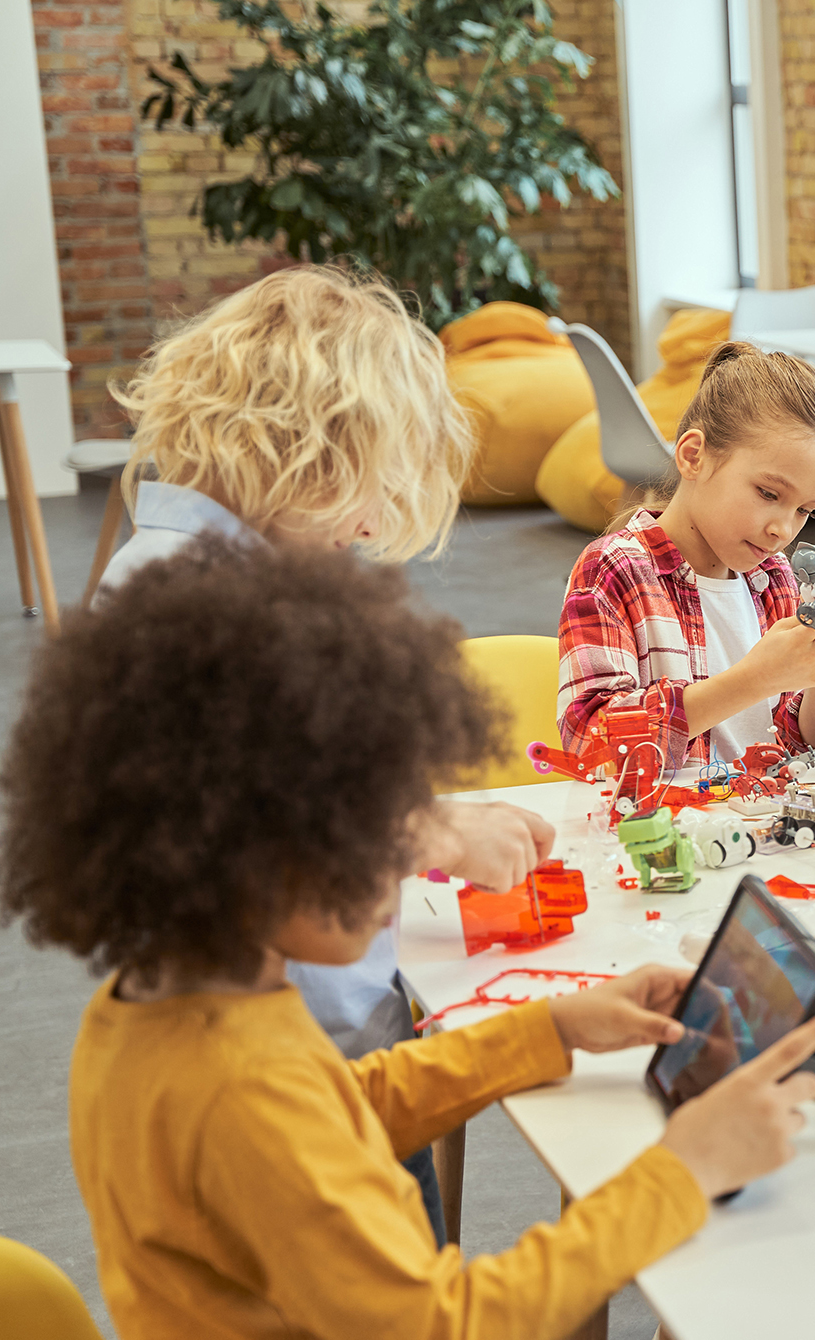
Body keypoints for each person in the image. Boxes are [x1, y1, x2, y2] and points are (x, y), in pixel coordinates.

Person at [0, 537, 815, 1336]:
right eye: (379, 836)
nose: (403, 870)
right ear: (245, 850)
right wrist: (681, 1172)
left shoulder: (172, 1005)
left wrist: (554, 1030)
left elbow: (343, 1108)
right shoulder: (240, 1090)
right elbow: (450, 1323)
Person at [98, 264, 556, 1237]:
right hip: (301, 1067)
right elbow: (264, 828)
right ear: (309, 450)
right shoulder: (204, 600)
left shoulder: (177, 567)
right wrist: (434, 830)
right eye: (367, 495)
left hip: (311, 1042)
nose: (366, 528)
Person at [559, 341, 815, 780]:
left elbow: (813, 748)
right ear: (694, 456)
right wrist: (755, 679)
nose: (784, 530)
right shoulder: (614, 571)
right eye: (769, 494)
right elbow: (591, 745)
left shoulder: (776, 579)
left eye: (806, 510)